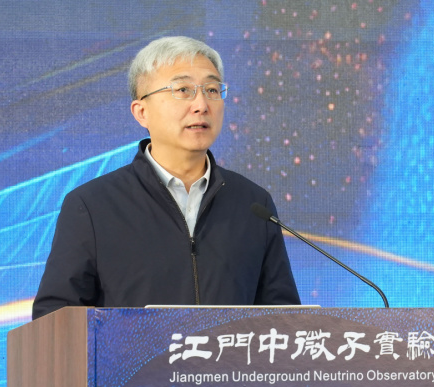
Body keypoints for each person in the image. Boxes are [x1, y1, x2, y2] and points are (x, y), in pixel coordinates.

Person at [32, 36, 301, 319]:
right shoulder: (92, 206)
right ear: (142, 112)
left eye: (212, 90)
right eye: (183, 90)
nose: (201, 105)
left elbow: (284, 321)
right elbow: (55, 321)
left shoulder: (253, 204)